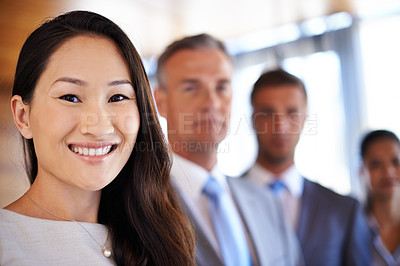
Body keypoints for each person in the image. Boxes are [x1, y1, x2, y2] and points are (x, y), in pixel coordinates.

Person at [0, 10, 195, 265]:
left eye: (117, 97)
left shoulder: (159, 238)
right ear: (24, 116)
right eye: (70, 97)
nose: (99, 127)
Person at [154, 34, 300, 266]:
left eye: (221, 87)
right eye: (191, 87)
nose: (211, 102)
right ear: (160, 101)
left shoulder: (266, 201)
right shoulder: (138, 206)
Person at [244, 68, 371, 266]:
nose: (280, 126)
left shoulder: (343, 210)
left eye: (292, 113)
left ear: (304, 119)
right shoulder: (221, 202)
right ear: (253, 119)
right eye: (267, 113)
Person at [360, 129, 400, 265]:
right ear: (361, 171)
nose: (388, 171)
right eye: (376, 164)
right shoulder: (351, 226)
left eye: (396, 162)